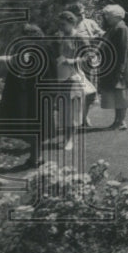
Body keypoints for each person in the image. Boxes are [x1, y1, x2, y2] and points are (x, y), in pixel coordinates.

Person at [0, 24, 47, 170]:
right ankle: (37, 158)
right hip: (38, 92)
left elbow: (13, 60)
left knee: (30, 126)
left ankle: (35, 159)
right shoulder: (41, 48)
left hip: (27, 93)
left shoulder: (28, 49)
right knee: (36, 126)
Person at [51, 11, 85, 152]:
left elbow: (88, 56)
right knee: (62, 109)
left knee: (71, 110)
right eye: (59, 24)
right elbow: (53, 54)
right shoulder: (58, 37)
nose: (61, 27)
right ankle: (65, 137)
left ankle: (70, 139)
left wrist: (71, 61)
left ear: (72, 23)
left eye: (63, 24)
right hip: (59, 76)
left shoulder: (78, 37)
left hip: (73, 76)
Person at [99, 4, 128, 131]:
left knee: (121, 95)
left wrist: (120, 69)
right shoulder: (113, 28)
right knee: (117, 95)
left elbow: (123, 50)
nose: (106, 17)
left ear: (117, 16)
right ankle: (118, 121)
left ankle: (120, 122)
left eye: (108, 15)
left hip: (120, 66)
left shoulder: (122, 29)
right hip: (113, 65)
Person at [67, 2, 103, 127]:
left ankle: (85, 116)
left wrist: (97, 37)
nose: (81, 16)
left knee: (91, 90)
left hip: (91, 59)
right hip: (77, 61)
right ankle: (78, 117)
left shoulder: (90, 22)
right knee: (79, 89)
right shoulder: (72, 27)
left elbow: (101, 34)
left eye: (83, 13)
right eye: (78, 14)